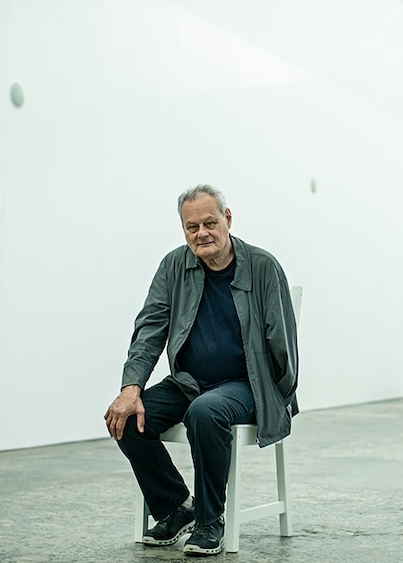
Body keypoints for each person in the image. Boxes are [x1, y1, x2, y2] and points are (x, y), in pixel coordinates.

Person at [104, 184, 299, 556]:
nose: (202, 233)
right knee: (126, 418)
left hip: (247, 384)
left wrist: (275, 398)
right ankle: (177, 507)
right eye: (192, 227)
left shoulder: (263, 266)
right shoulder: (174, 265)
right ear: (183, 230)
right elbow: (150, 329)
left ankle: (211, 520)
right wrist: (131, 387)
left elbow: (283, 345)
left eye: (210, 222)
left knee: (206, 412)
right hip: (190, 383)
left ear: (227, 218)